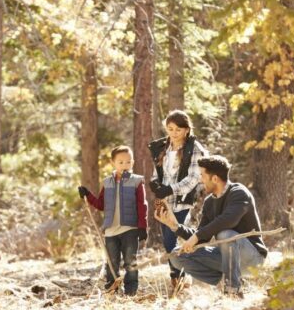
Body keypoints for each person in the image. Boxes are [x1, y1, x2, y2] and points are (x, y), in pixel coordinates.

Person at [155, 155, 267, 297]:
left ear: (214, 179)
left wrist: (196, 236)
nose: (200, 180)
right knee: (177, 256)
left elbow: (228, 220)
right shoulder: (209, 202)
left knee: (226, 234)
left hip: (252, 259)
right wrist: (176, 226)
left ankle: (233, 291)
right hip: (226, 258)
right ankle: (226, 280)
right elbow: (202, 238)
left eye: (202, 176)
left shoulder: (239, 193)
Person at [148, 110, 210, 295]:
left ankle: (180, 277)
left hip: (181, 200)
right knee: (167, 242)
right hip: (163, 200)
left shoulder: (194, 148)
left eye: (178, 129)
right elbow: (157, 173)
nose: (173, 133)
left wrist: (171, 189)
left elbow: (193, 178)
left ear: (186, 129)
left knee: (171, 237)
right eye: (170, 129)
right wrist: (155, 184)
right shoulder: (162, 147)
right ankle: (177, 277)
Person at [78, 146, 148, 296]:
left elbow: (142, 205)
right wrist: (88, 195)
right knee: (111, 262)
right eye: (121, 162)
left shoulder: (136, 181)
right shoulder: (108, 182)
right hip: (110, 230)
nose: (125, 165)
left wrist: (143, 226)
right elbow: (101, 205)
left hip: (130, 228)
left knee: (130, 261)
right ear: (113, 163)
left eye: (128, 162)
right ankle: (112, 289)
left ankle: (131, 291)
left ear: (133, 163)